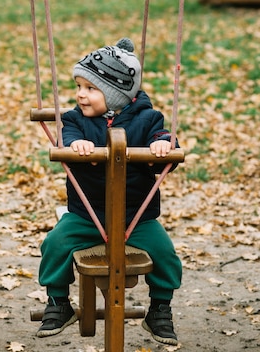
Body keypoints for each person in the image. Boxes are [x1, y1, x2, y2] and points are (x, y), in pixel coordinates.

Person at [36, 38, 182, 346]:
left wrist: (163, 145)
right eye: (78, 86)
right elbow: (68, 135)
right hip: (87, 216)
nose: (80, 95)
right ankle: (58, 302)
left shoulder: (147, 119)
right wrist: (76, 144)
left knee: (166, 254)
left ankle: (159, 309)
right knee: (54, 244)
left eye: (90, 88)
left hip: (135, 219)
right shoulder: (76, 119)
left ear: (116, 94)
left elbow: (165, 139)